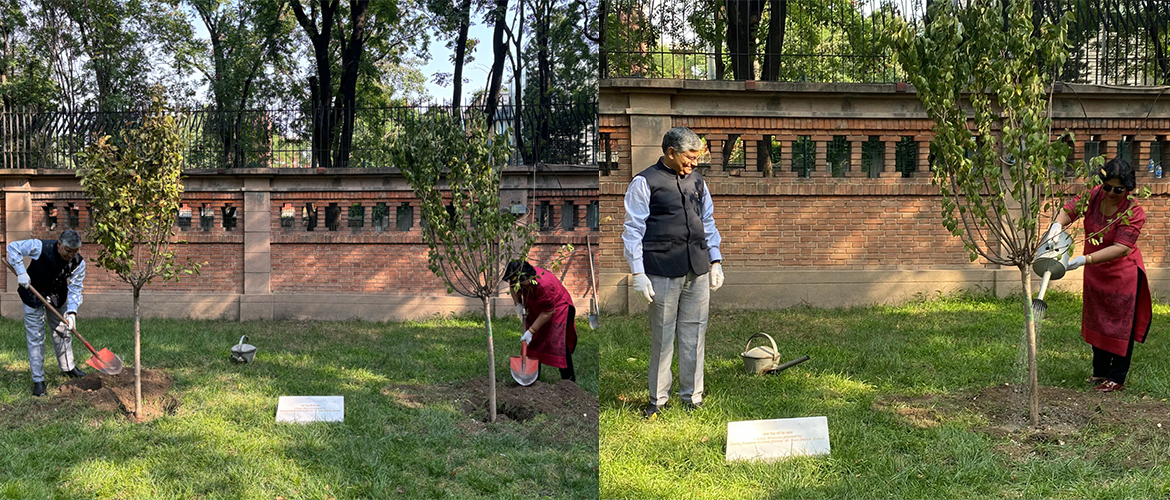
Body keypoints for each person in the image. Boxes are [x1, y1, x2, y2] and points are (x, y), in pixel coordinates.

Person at [622, 126, 724, 418]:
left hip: (698, 268)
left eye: (697, 158)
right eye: (690, 157)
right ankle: (658, 399)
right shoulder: (644, 182)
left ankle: (692, 397)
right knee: (664, 336)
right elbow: (633, 230)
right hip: (662, 271)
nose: (694, 163)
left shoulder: (698, 181)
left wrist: (715, 260)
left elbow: (708, 221)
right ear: (671, 152)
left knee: (695, 333)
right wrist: (638, 273)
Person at [1044, 158, 1150, 393]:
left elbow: (1122, 247)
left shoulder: (1133, 211)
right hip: (1096, 274)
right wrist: (1056, 227)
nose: (1112, 193)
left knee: (1120, 326)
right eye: (1108, 187)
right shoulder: (1093, 195)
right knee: (1098, 320)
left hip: (1123, 276)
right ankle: (1100, 372)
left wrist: (1084, 259)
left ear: (1128, 188)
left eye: (1118, 189)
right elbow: (1068, 210)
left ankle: (1116, 377)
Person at [7, 229, 88, 397]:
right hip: (32, 293)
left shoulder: (78, 263)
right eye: (68, 250)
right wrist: (21, 271)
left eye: (75, 251)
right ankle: (38, 381)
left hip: (58, 297)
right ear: (59, 244)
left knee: (63, 332)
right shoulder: (39, 246)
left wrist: (72, 312)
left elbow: (75, 288)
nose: (71, 255)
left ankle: (68, 367)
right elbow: (13, 247)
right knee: (36, 337)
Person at [504, 259, 577, 382]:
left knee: (557, 343)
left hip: (558, 308)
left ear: (530, 277)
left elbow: (548, 311)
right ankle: (533, 378)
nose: (518, 285)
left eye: (522, 283)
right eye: (515, 282)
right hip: (537, 308)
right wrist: (518, 304)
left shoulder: (544, 284)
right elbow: (513, 287)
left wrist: (531, 331)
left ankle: (568, 381)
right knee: (533, 344)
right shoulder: (517, 279)